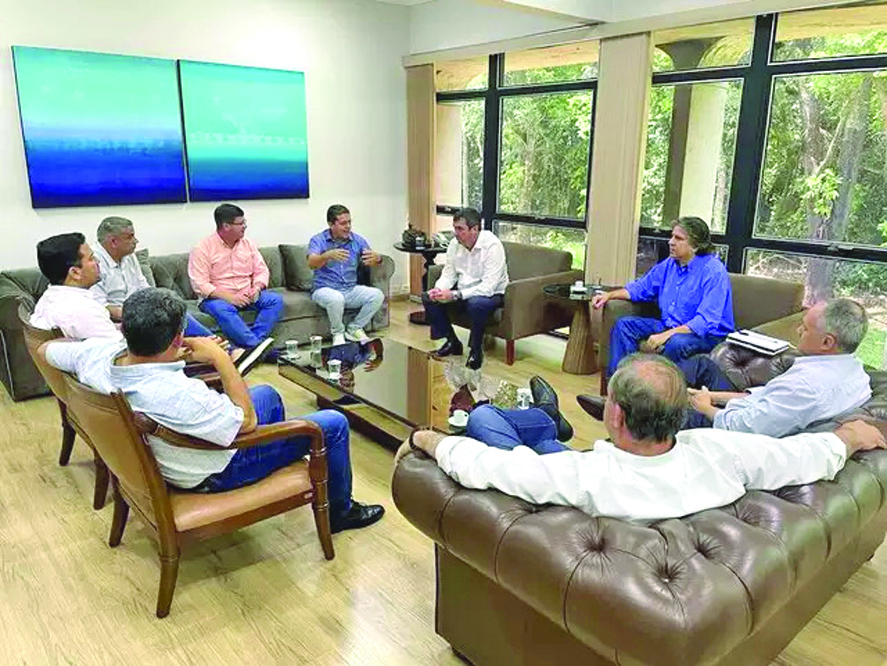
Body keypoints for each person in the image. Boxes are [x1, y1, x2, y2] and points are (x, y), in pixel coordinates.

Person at [39, 287, 384, 534]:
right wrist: (219, 358)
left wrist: (171, 356)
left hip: (170, 447)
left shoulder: (96, 356)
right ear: (177, 338)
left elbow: (47, 349)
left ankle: (277, 473)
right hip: (210, 470)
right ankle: (340, 513)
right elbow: (245, 422)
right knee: (334, 423)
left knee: (267, 393)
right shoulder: (177, 394)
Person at [399, 354, 885, 523]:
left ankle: (545, 419)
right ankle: (547, 419)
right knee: (535, 439)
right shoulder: (722, 454)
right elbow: (803, 456)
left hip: (572, 469)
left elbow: (486, 466)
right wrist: (849, 437)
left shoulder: (585, 477)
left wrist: (427, 438)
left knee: (484, 419)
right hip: (613, 461)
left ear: (613, 414)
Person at [681, 298, 871, 435]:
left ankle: (657, 396)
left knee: (669, 414)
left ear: (827, 343)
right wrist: (713, 396)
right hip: (752, 412)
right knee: (702, 364)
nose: (798, 331)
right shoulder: (857, 373)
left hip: (735, 433)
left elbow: (742, 427)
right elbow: (769, 398)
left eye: (805, 329)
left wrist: (706, 407)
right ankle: (659, 387)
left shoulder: (805, 387)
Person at [592, 217, 734, 378]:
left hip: (707, 335)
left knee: (676, 343)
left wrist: (667, 335)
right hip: (671, 326)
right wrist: (609, 295)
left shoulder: (713, 271)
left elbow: (705, 321)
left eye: (678, 238)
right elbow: (642, 288)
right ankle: (620, 385)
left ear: (696, 246)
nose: (670, 242)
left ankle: (659, 394)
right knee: (624, 326)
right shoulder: (669, 264)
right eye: (672, 236)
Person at [90, 216, 214, 337]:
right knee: (170, 318)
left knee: (176, 311)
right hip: (120, 318)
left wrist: (158, 304)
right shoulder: (93, 263)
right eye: (130, 237)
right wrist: (137, 314)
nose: (136, 241)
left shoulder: (128, 256)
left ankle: (215, 346)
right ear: (113, 241)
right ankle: (218, 347)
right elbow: (100, 306)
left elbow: (143, 286)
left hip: (138, 310)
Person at [188, 204, 283, 354]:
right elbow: (199, 284)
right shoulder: (202, 248)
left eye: (244, 223)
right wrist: (230, 298)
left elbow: (261, 270)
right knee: (222, 310)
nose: (245, 227)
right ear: (226, 226)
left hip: (248, 294)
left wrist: (256, 288)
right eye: (240, 224)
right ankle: (259, 349)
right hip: (218, 298)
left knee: (274, 300)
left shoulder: (248, 244)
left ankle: (255, 346)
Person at [422, 207, 509, 370]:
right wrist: (438, 290)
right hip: (463, 291)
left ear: (474, 229)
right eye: (455, 228)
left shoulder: (492, 246)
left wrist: (455, 295)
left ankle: (476, 351)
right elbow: (449, 274)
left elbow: (488, 287)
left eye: (460, 229)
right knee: (428, 297)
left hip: (492, 295)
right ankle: (452, 342)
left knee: (476, 304)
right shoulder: (455, 244)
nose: (455, 233)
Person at [307, 204, 384, 346]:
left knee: (377, 295)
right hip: (324, 289)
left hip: (349, 289)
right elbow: (311, 263)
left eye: (349, 222)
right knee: (336, 299)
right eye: (343, 223)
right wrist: (327, 255)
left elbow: (372, 258)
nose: (348, 226)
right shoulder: (318, 240)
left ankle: (354, 328)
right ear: (331, 224)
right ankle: (338, 333)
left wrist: (378, 258)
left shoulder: (357, 240)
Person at [31, 232, 121, 339]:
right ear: (75, 273)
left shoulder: (48, 298)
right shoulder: (85, 310)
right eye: (91, 258)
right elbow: (123, 350)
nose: (98, 261)